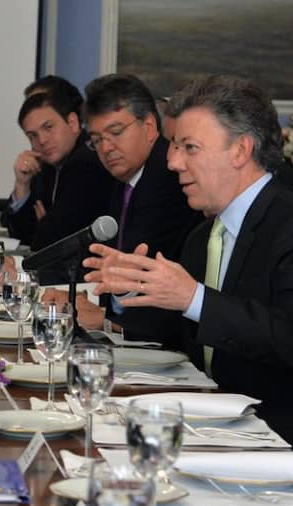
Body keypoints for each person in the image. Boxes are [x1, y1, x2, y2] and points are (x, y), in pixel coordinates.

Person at [84, 75, 293, 438]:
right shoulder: (204, 235)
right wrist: (133, 288)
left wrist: (193, 297)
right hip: (206, 424)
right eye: (174, 146)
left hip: (275, 436)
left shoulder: (286, 222)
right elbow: (186, 331)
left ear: (240, 150)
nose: (172, 161)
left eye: (189, 147)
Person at [44, 74, 201, 336]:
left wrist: (106, 320)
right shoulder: (126, 179)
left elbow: (160, 294)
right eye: (96, 140)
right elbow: (115, 272)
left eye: (116, 133)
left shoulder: (170, 181)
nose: (106, 147)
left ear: (149, 126)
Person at [0, 82, 115, 280]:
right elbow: (21, 236)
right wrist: (22, 185)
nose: (42, 140)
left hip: (87, 278)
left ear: (73, 123)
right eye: (32, 136)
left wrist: (44, 225)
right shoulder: (47, 166)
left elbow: (48, 242)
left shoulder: (87, 162)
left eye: (48, 127)